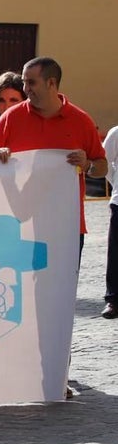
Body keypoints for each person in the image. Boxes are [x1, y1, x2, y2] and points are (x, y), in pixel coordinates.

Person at [0, 57, 105, 383]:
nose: (25, 89)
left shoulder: (80, 120)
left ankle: (55, 374)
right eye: (24, 82)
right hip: (20, 227)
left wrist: (88, 165)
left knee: (60, 302)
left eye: (31, 83)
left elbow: (102, 165)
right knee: (22, 300)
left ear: (52, 84)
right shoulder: (12, 117)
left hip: (65, 229)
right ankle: (25, 369)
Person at [103, 125, 118, 320]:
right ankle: (113, 300)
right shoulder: (116, 133)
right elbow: (104, 163)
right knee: (116, 252)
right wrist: (116, 184)